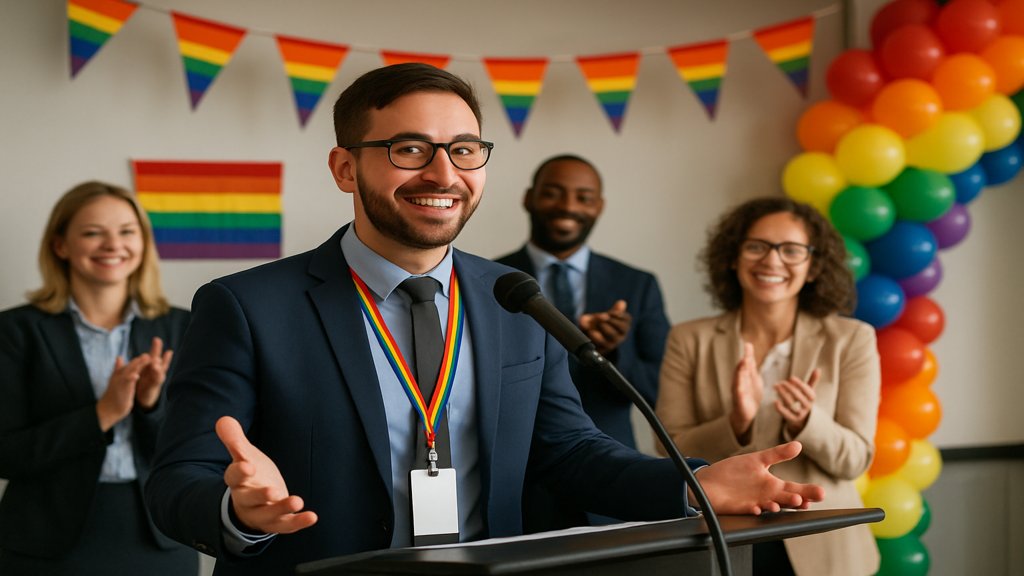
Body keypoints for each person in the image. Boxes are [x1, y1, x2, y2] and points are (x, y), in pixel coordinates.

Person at [144, 63, 824, 575]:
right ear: (345, 168)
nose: (443, 172)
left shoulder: (515, 297)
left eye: (464, 149)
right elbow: (177, 485)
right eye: (409, 149)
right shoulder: (246, 305)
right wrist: (239, 511)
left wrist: (689, 484)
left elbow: (571, 451)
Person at [654, 197, 881, 576]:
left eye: (791, 250)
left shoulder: (852, 339)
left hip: (823, 545)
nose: (772, 261)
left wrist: (809, 422)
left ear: (813, 267)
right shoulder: (688, 338)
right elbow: (667, 448)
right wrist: (736, 423)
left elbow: (856, 459)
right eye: (756, 246)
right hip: (720, 540)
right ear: (732, 257)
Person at [0, 182, 198, 575]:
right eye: (93, 232)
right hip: (42, 543)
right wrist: (102, 414)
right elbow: (5, 454)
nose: (113, 244)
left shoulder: (185, 327)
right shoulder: (14, 331)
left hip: (159, 535)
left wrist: (149, 406)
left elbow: (195, 451)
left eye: (127, 231)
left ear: (142, 243)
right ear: (61, 246)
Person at [496, 154, 670, 530]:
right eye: (553, 193)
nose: (568, 207)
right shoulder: (491, 282)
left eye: (584, 197)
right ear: (529, 198)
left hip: (616, 483)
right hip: (520, 487)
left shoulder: (637, 285)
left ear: (600, 206)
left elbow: (662, 390)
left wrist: (613, 352)